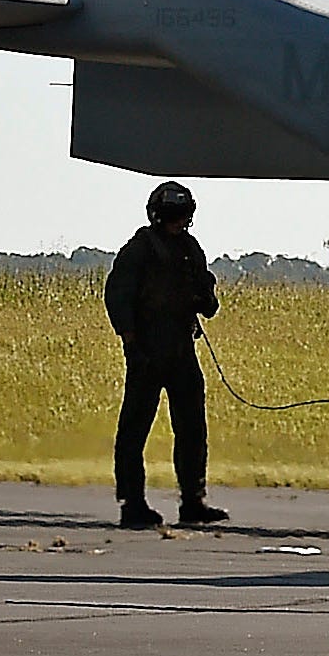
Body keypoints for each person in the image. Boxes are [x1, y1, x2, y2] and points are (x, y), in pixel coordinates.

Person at [104, 180, 224, 530]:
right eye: (172, 215)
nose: (177, 221)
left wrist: (205, 300)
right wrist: (130, 343)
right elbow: (119, 296)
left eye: (181, 215)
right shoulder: (140, 249)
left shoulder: (190, 249)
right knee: (135, 427)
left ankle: (192, 500)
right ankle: (132, 503)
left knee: (191, 427)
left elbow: (207, 296)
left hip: (181, 350)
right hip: (147, 351)